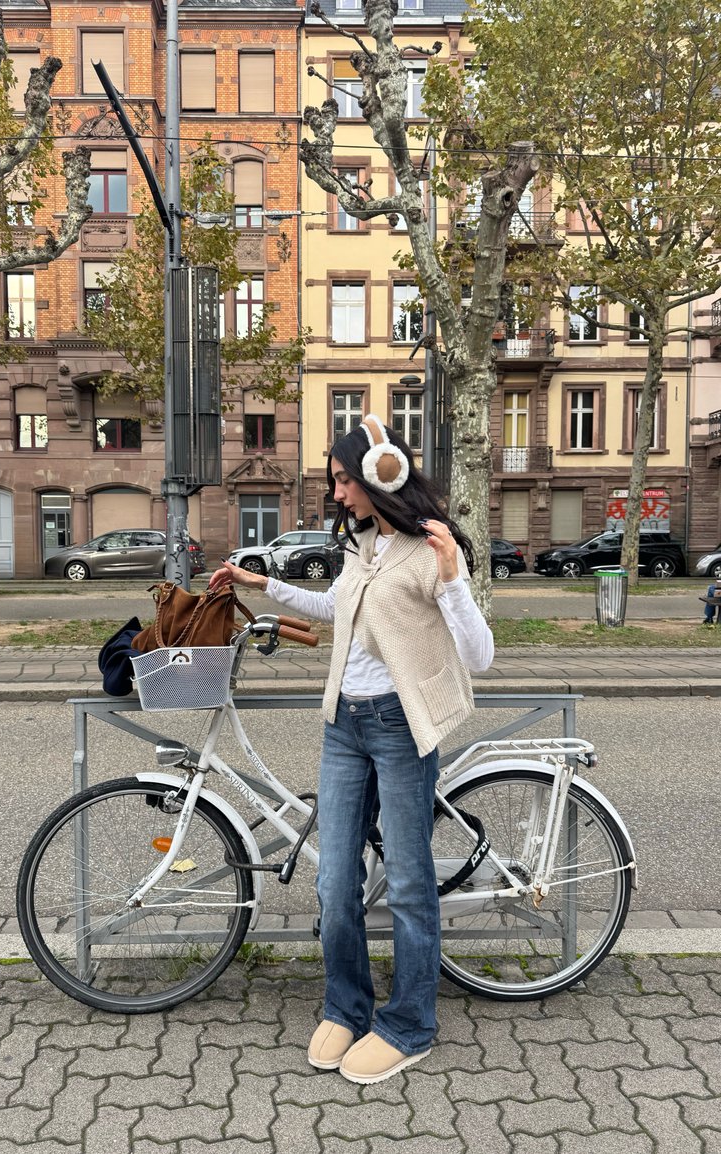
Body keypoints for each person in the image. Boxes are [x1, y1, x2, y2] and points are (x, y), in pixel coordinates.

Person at [208, 414, 494, 1084]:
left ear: (379, 473)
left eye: (343, 479)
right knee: (335, 880)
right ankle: (347, 1005)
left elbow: (480, 656)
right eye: (334, 481)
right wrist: (262, 588)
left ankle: (411, 1024)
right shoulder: (362, 545)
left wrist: (452, 575)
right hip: (344, 727)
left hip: (399, 729)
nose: (336, 494)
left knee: (411, 884)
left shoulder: (428, 552)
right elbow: (342, 610)